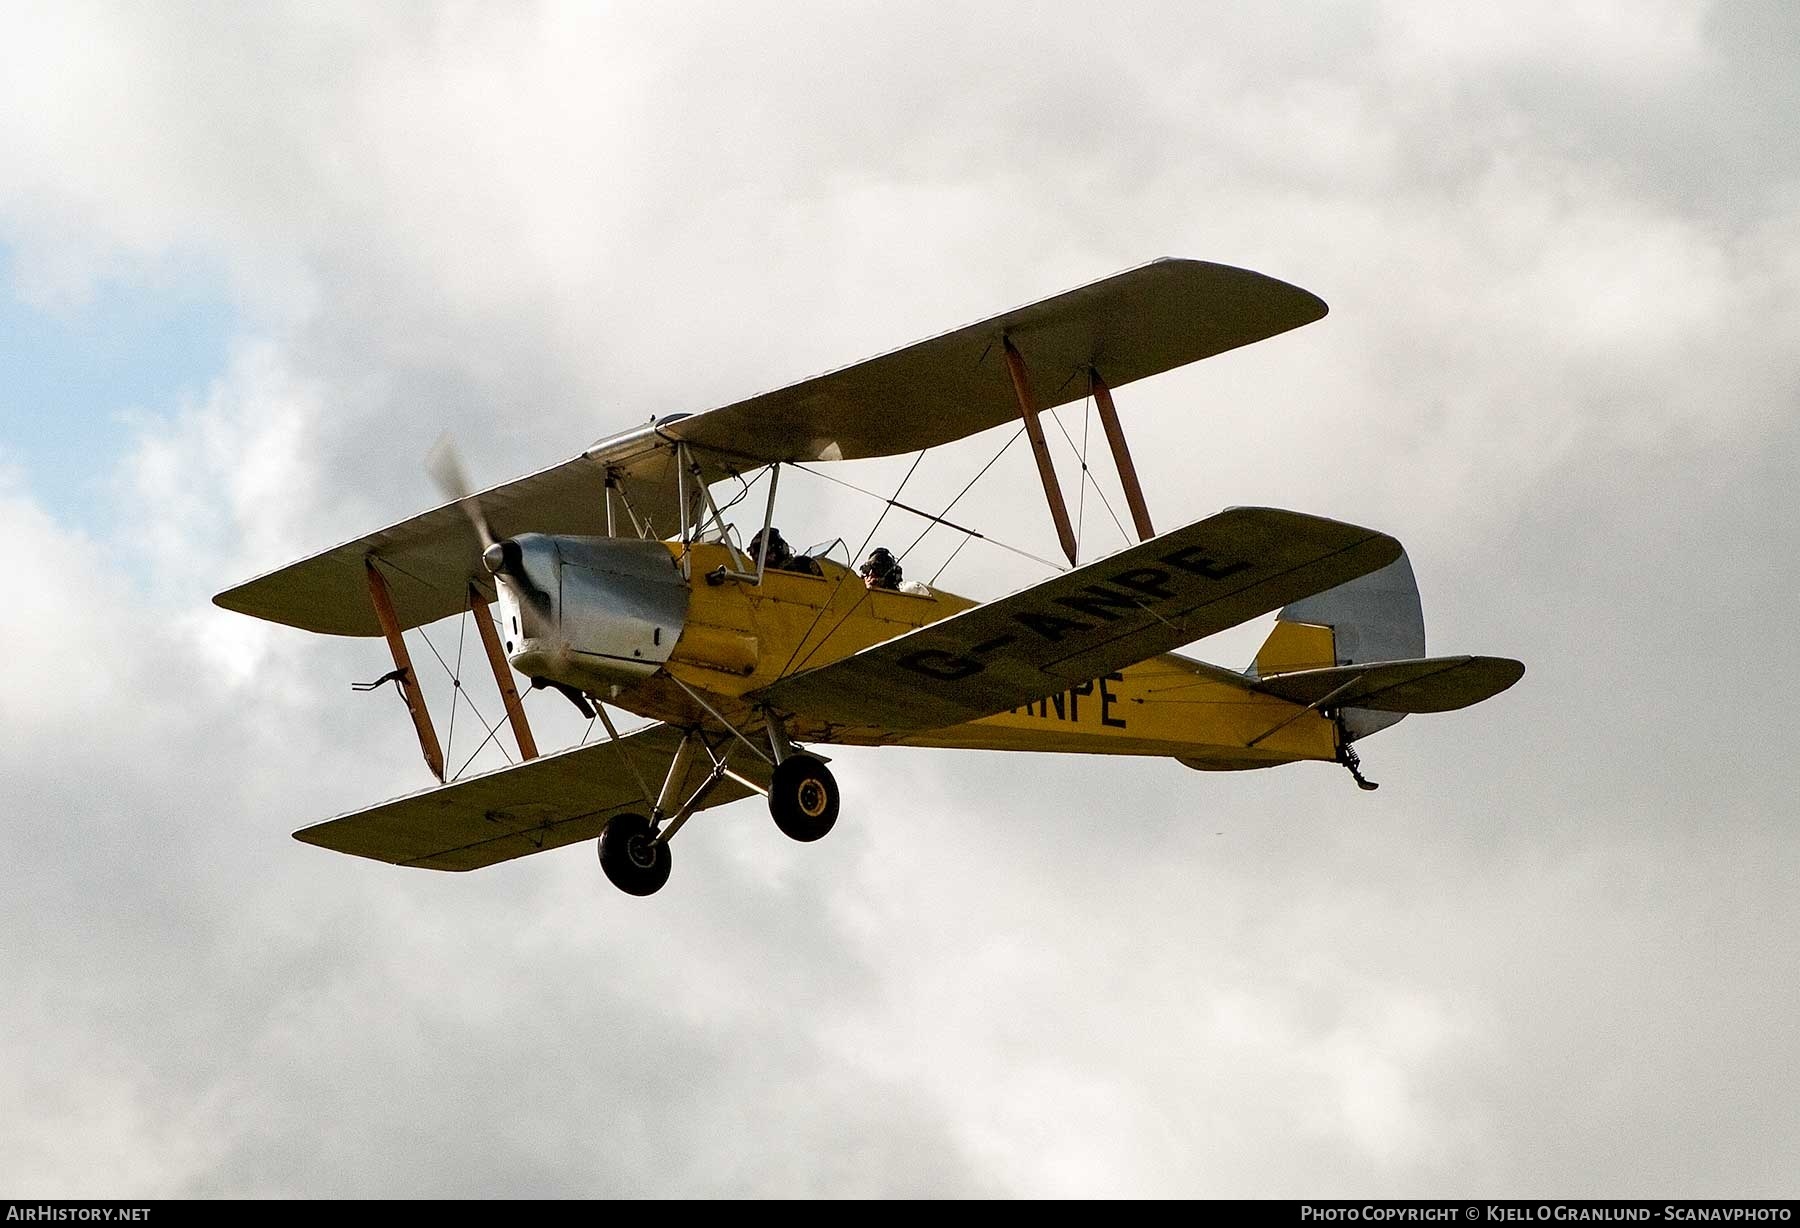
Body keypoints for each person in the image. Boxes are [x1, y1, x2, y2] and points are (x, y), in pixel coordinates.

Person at [749, 527, 823, 576]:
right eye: (752, 553)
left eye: (759, 551)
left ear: (779, 548)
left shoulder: (803, 564)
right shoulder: (763, 575)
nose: (755, 557)